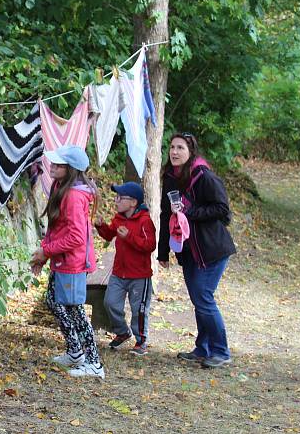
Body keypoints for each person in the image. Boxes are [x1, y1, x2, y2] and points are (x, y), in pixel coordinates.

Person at [158, 132, 237, 369]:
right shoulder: (171, 177)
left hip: (212, 249)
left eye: (180, 148)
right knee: (198, 300)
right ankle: (203, 349)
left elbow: (223, 210)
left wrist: (190, 212)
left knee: (203, 298)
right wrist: (163, 252)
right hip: (188, 250)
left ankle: (221, 351)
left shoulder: (204, 177)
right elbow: (165, 215)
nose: (174, 152)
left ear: (191, 151)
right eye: (172, 147)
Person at [30, 144, 104, 379]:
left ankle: (94, 363)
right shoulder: (60, 187)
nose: (53, 166)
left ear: (70, 169)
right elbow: (56, 227)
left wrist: (47, 252)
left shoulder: (73, 195)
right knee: (53, 300)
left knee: (74, 310)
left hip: (72, 262)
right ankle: (75, 351)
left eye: (60, 164)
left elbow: (76, 237)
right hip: (61, 260)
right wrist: (45, 252)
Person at [95, 181, 156, 356]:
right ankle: (122, 331)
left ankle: (141, 340)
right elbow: (108, 234)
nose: (116, 201)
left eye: (121, 198)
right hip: (119, 273)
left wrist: (129, 237)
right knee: (110, 303)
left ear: (133, 202)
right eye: (116, 197)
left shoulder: (144, 221)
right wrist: (101, 226)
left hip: (139, 276)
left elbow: (150, 245)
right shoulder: (119, 218)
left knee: (139, 309)